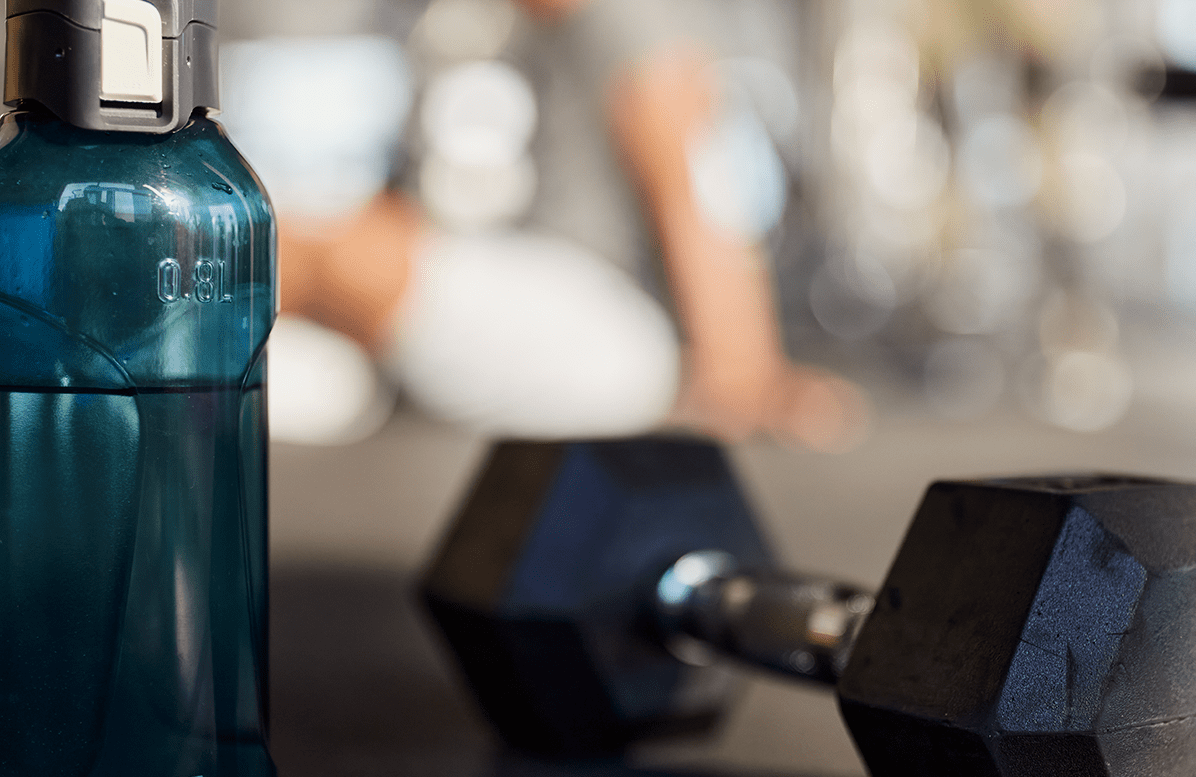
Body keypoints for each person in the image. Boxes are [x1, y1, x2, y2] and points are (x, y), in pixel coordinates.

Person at [277, 0, 865, 450]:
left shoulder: (624, 18)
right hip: (504, 297)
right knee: (308, 236)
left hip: (609, 334)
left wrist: (742, 368)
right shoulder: (476, 26)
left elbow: (694, 191)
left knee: (299, 246)